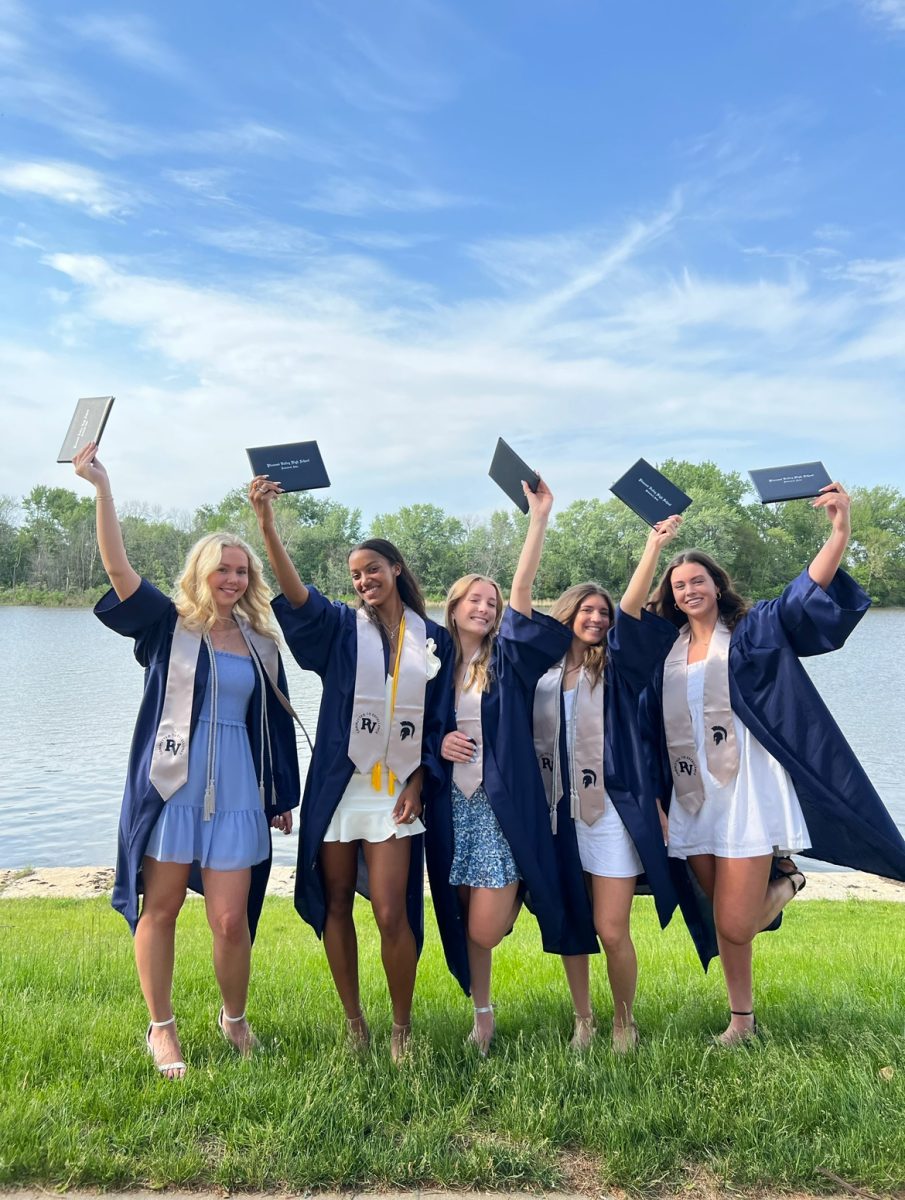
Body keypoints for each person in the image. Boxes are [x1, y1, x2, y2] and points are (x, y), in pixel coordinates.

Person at [641, 482, 905, 1044]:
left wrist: (840, 530)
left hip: (747, 790)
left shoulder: (755, 630)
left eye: (698, 580)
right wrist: (654, 547)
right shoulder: (663, 650)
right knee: (721, 916)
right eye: (678, 584)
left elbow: (805, 594)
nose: (688, 589)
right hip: (693, 793)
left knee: (735, 923)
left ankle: (786, 880)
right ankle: (743, 1021)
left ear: (717, 586)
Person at [73, 443, 300, 1078]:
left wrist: (279, 796)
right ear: (201, 572)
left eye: (241, 572)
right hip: (172, 783)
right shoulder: (167, 625)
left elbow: (271, 727)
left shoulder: (261, 644)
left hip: (234, 789)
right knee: (162, 907)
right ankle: (162, 1029)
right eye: (222, 569)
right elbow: (119, 571)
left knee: (231, 918)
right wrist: (102, 489)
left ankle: (234, 1018)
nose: (232, 580)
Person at [249, 475, 453, 1062]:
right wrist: (268, 525)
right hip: (341, 786)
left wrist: (420, 782)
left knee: (392, 909)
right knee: (337, 900)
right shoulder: (341, 628)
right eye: (356, 574)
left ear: (395, 569)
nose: (364, 580)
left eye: (373, 570)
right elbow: (295, 600)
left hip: (394, 792)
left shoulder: (431, 638)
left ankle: (401, 1029)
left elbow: (439, 722)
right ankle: (355, 1023)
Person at [428, 478, 582, 1055]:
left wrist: (538, 518)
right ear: (454, 607)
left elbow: (522, 595)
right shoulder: (434, 662)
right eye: (476, 600)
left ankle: (520, 896)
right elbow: (414, 728)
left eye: (491, 603)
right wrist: (438, 745)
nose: (486, 607)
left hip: (500, 804)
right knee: (464, 918)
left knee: (484, 928)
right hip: (451, 807)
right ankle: (483, 1015)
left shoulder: (510, 659)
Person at [534, 517, 692, 1052]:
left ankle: (624, 1021)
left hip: (612, 814)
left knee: (611, 927)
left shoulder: (620, 670)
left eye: (602, 613)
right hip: (559, 810)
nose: (597, 618)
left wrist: (653, 547)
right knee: (573, 922)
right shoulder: (544, 673)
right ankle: (584, 1020)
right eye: (587, 610)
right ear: (568, 615)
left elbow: (630, 613)